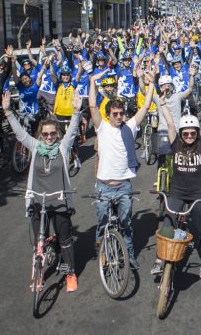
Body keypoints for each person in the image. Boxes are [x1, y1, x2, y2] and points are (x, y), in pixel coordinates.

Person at [2, 89, 82, 292]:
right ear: (40, 134)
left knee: (65, 239)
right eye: (45, 134)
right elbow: (20, 134)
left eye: (52, 133)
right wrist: (8, 112)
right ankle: (38, 274)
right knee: (39, 240)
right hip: (39, 200)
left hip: (60, 200)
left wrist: (76, 111)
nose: (48, 137)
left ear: (57, 134)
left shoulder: (62, 148)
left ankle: (70, 273)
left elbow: (72, 130)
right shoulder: (35, 147)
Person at [87, 69, 156, 270]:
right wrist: (92, 81)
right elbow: (92, 105)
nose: (118, 116)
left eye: (121, 113)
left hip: (124, 186)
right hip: (104, 187)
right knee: (102, 223)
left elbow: (145, 106)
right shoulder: (102, 127)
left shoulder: (130, 126)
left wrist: (152, 83)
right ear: (107, 115)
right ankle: (102, 251)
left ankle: (130, 255)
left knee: (126, 225)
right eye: (114, 114)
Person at [150, 90, 201, 280]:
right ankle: (159, 259)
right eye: (186, 133)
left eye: (192, 133)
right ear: (181, 134)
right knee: (167, 224)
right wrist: (162, 104)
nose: (189, 136)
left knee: (200, 229)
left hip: (197, 194)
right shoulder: (176, 144)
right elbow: (171, 123)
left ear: (197, 134)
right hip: (177, 192)